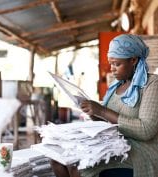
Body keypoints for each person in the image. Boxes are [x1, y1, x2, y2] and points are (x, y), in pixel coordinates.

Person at [50, 34, 158, 177]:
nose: (112, 69)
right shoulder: (115, 86)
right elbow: (109, 123)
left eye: (117, 64)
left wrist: (102, 110)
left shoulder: (152, 84)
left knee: (79, 167)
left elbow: (146, 130)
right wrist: (93, 113)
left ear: (133, 60)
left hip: (139, 150)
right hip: (112, 144)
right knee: (58, 160)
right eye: (111, 63)